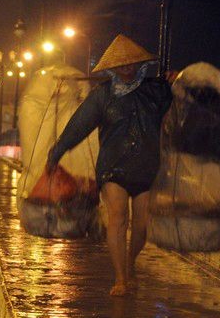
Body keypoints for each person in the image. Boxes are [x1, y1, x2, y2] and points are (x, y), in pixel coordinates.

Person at [47, 34, 173, 296]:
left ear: (140, 64)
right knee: (118, 218)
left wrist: (176, 83)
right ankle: (120, 278)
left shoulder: (156, 92)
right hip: (113, 167)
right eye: (121, 65)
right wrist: (56, 152)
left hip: (147, 168)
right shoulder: (102, 96)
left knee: (141, 225)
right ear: (112, 68)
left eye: (132, 63)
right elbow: (79, 126)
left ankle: (130, 261)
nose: (127, 69)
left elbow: (183, 104)